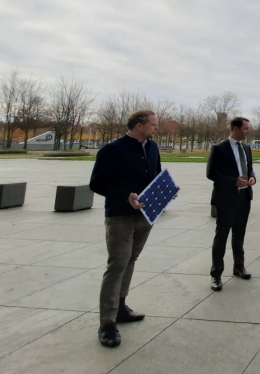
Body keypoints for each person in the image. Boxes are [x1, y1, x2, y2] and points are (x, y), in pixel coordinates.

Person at [90, 109, 163, 348]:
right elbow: (97, 183)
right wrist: (125, 196)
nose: (156, 128)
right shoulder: (112, 149)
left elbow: (155, 174)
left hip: (145, 215)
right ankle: (107, 323)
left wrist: (166, 189)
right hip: (120, 216)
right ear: (139, 125)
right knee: (117, 265)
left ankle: (121, 308)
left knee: (130, 260)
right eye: (153, 124)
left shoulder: (152, 147)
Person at [207, 117, 256, 291]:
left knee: (239, 235)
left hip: (244, 198)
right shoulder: (219, 149)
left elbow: (249, 168)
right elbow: (211, 173)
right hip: (226, 199)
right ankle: (216, 275)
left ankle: (239, 267)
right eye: (245, 128)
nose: (248, 131)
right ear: (235, 128)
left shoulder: (246, 148)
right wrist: (232, 181)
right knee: (221, 236)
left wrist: (252, 177)